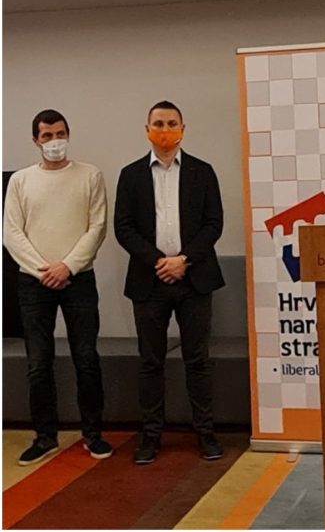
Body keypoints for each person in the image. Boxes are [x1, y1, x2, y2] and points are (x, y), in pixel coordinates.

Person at [114, 100, 225, 465]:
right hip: (149, 280)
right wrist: (158, 262)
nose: (165, 130)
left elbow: (213, 224)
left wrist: (184, 260)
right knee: (151, 362)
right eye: (158, 124)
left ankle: (205, 434)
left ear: (183, 128)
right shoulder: (130, 175)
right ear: (147, 129)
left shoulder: (202, 172)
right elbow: (123, 227)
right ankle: (150, 436)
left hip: (194, 279)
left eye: (171, 123)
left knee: (198, 361)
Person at [4, 109, 111, 465]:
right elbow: (11, 233)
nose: (54, 141)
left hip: (79, 279)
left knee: (87, 359)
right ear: (35, 140)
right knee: (38, 363)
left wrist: (67, 266)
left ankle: (93, 435)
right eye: (47, 135)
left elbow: (97, 227)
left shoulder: (90, 175)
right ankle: (45, 437)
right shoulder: (20, 180)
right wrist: (44, 270)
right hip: (33, 284)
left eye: (60, 134)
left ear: (69, 134)